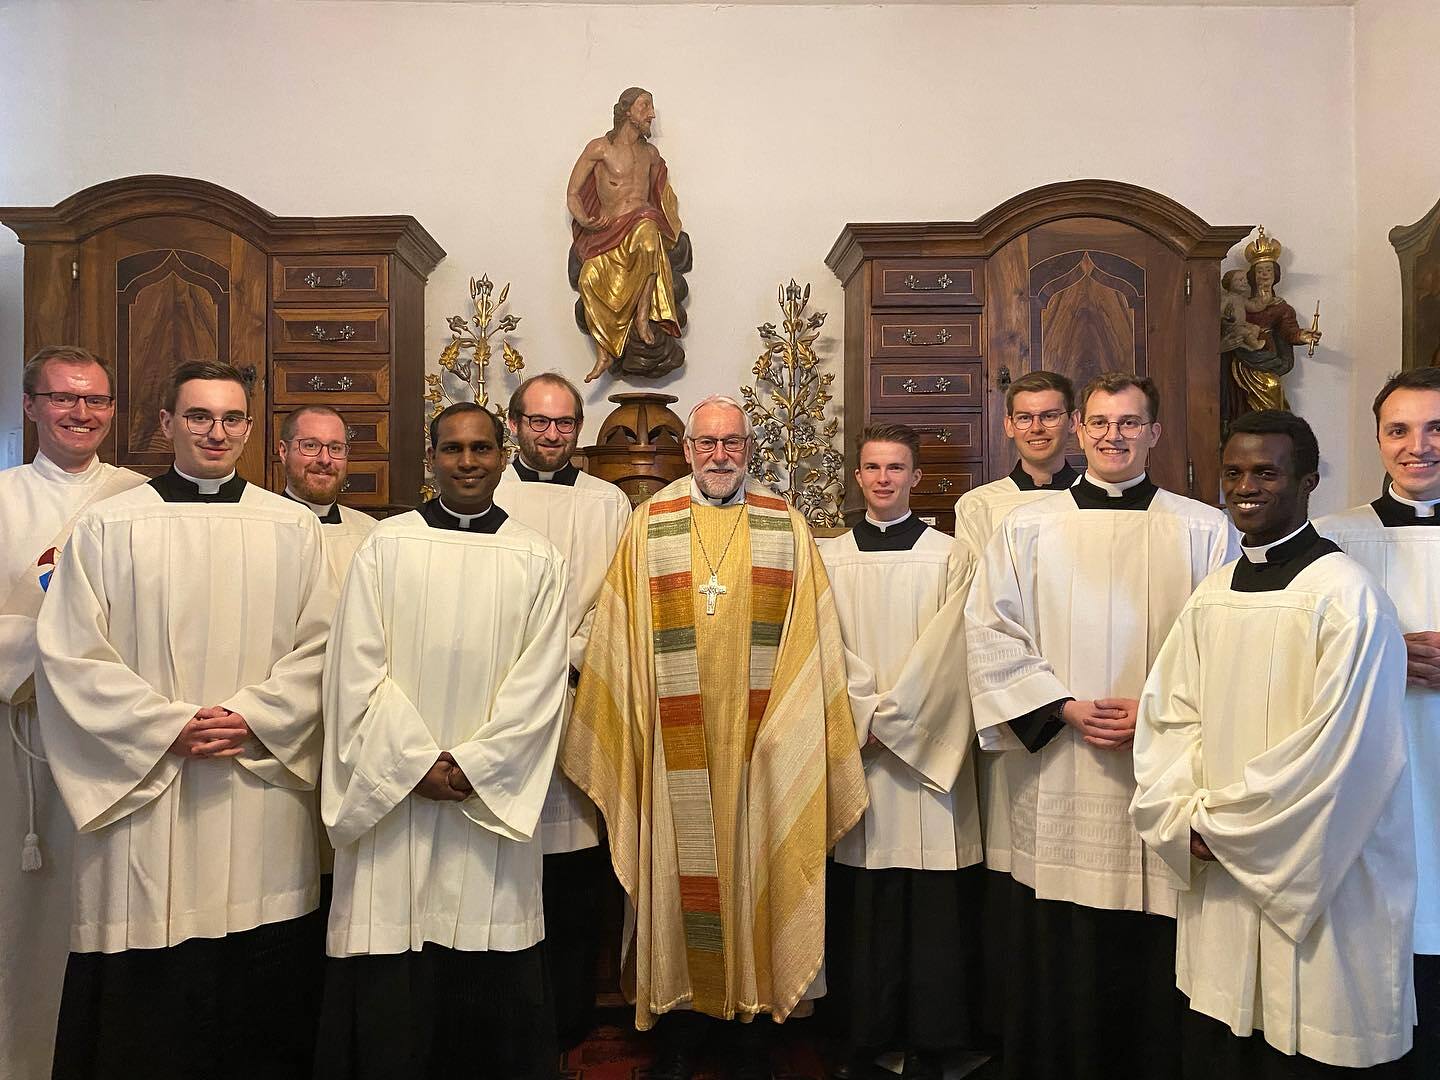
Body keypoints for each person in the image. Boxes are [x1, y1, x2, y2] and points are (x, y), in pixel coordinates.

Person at [35, 360, 335, 1080]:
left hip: (255, 781)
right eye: (198, 416)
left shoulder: (292, 527)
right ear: (167, 423)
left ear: (250, 429)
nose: (215, 432)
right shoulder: (109, 524)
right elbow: (71, 652)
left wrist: (254, 716)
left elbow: (326, 646)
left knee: (258, 974)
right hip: (147, 788)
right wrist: (165, 725)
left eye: (231, 418)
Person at [562, 394, 867, 1080]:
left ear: (749, 449)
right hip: (674, 752)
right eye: (707, 443)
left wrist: (788, 733)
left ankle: (753, 1025)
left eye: (732, 443)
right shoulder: (650, 525)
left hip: (763, 748)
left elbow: (813, 643)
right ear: (688, 450)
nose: (720, 455)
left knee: (760, 871)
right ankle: (681, 1028)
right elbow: (618, 640)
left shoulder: (785, 527)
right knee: (678, 882)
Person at [964, 371, 1236, 1080]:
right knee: (1062, 938)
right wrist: (1060, 706)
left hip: (1161, 762)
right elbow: (990, 631)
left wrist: (1157, 712)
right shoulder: (1027, 525)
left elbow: (1230, 642)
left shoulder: (1204, 528)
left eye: (1130, 423)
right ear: (1080, 431)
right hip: (1061, 763)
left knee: (1157, 932)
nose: (1115, 436)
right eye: (1102, 423)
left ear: (1154, 432)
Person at [1134, 410, 1415, 1076]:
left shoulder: (1347, 597)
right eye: (1233, 472)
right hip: (1218, 854)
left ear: (1308, 481)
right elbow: (1170, 716)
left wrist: (1223, 828)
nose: (1245, 487)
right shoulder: (1212, 594)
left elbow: (1341, 754)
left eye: (1266, 472)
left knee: (1312, 1030)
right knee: (1226, 1035)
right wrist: (1181, 814)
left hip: (1319, 866)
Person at [316, 402, 570, 1080]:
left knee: (488, 945)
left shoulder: (537, 557)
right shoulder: (386, 546)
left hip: (484, 801)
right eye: (452, 449)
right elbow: (353, 671)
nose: (467, 462)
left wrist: (475, 766)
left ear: (502, 456)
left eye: (481, 448)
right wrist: (415, 765)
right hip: (398, 801)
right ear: (431, 458)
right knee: (395, 956)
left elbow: (541, 683)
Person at [0, 347, 145, 1080]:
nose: (81, 414)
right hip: (23, 736)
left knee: (115, 906)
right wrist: (56, 647)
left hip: (116, 738)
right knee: (24, 916)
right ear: (31, 406)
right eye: (63, 398)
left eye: (96, 400)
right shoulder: (2, 499)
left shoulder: (140, 497)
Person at [821, 424, 980, 1080]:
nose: (883, 479)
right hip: (859, 747)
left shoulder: (952, 556)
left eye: (896, 468)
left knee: (931, 899)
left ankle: (933, 1040)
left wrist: (891, 720)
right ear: (857, 477)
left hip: (923, 756)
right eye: (872, 467)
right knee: (867, 894)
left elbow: (953, 650)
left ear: (917, 477)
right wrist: (862, 714)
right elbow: (822, 644)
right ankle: (867, 1035)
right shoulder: (828, 558)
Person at [495, 372, 632, 1049]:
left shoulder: (609, 502)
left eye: (564, 423)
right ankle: (509, 1013)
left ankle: (570, 1012)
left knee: (573, 867)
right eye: (539, 421)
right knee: (503, 864)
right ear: (514, 424)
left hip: (579, 693)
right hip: (498, 704)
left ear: (578, 428)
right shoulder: (486, 493)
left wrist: (569, 653)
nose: (552, 434)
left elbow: (621, 597)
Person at [1317, 367, 1440, 1077]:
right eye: (1400, 430)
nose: (1417, 446)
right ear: (1377, 439)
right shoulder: (1333, 538)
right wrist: (1386, 653)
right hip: (1379, 768)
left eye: (1435, 428)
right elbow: (1298, 653)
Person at [567, 87, 685, 382]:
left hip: (642, 221)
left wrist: (667, 222)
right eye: (645, 106)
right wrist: (586, 220)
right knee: (588, 279)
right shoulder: (599, 149)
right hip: (608, 230)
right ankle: (604, 352)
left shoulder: (651, 155)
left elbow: (660, 195)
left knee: (649, 239)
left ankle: (643, 317)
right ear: (626, 110)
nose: (651, 114)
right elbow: (573, 193)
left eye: (651, 107)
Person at [277, 405, 377, 582]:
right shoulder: (258, 531)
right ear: (284, 452)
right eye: (310, 446)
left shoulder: (371, 534)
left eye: (336, 448)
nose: (325, 459)